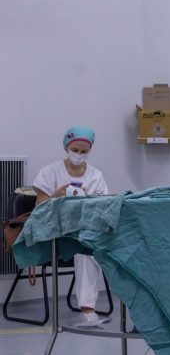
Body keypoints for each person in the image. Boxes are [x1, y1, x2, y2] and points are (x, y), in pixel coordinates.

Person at [33, 126, 110, 327]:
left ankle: (90, 309)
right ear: (66, 147)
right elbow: (39, 209)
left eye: (84, 151)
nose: (78, 154)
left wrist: (89, 199)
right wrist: (54, 197)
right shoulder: (50, 172)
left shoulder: (96, 176)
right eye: (75, 150)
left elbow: (102, 208)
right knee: (84, 247)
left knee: (89, 247)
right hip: (55, 232)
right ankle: (88, 310)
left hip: (84, 231)